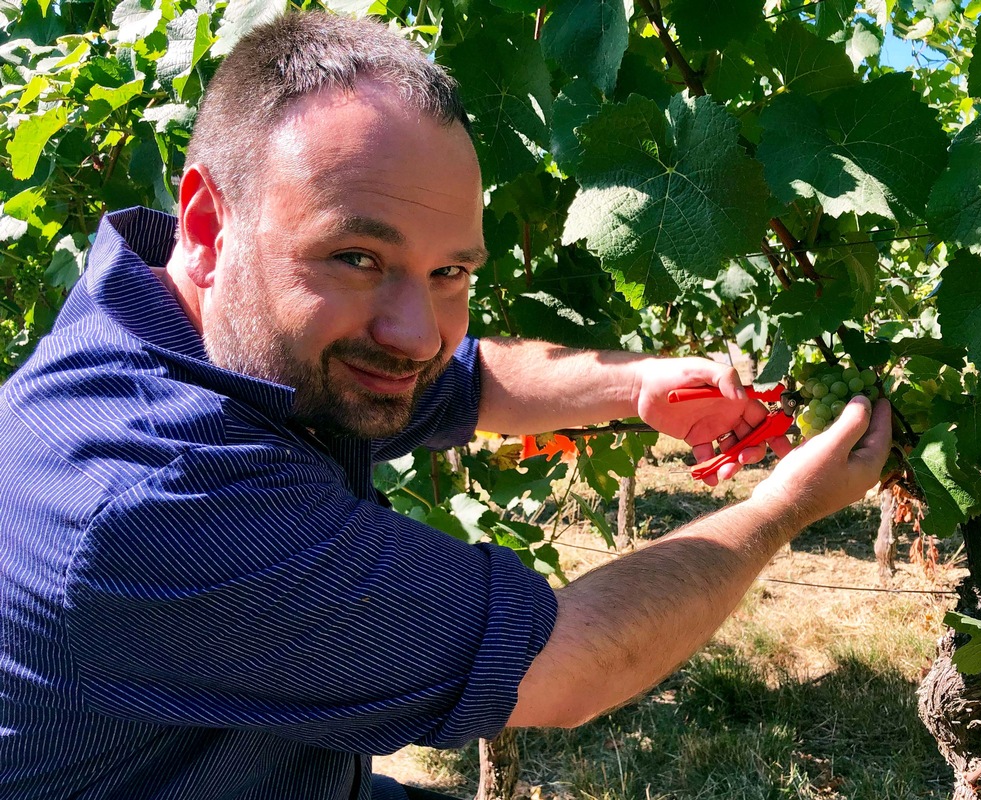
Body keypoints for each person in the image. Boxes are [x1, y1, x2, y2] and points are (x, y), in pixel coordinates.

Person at [0, 12, 891, 800]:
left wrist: (636, 384)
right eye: (356, 257)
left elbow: (460, 378)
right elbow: (569, 663)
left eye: (451, 272)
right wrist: (784, 507)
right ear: (205, 225)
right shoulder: (156, 497)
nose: (418, 332)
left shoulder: (175, 328)